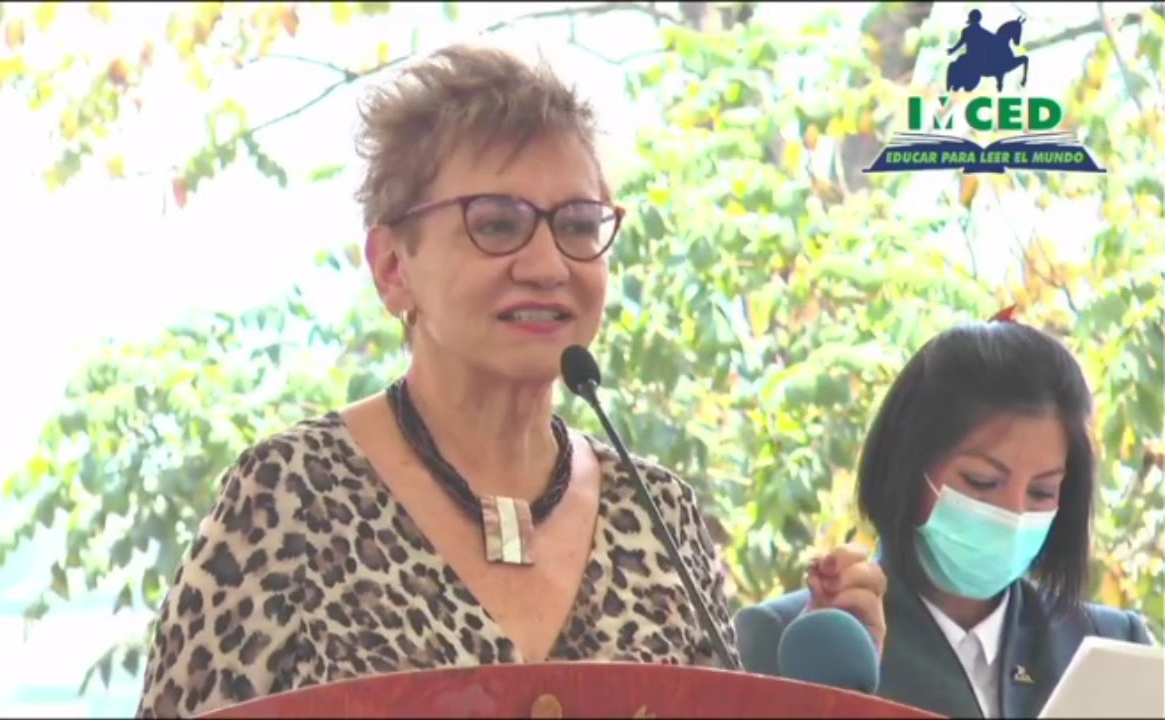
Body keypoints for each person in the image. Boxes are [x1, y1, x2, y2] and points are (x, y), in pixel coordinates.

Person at [136, 42, 888, 718]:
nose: (548, 264)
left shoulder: (660, 514)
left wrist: (822, 697)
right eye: (496, 223)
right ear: (393, 267)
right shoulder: (292, 495)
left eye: (579, 224)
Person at [735, 312, 1157, 718]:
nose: (1013, 513)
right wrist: (829, 690)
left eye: (1042, 491)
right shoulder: (785, 638)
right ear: (906, 467)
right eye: (982, 481)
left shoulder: (1112, 646)